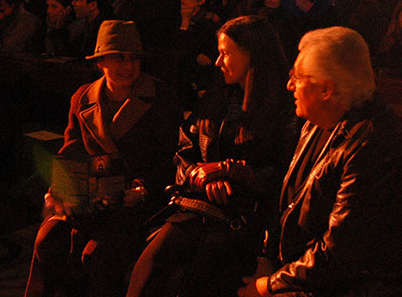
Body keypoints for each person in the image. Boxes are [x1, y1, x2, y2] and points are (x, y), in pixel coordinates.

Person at [239, 26, 402, 296]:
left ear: (326, 90)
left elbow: (341, 252)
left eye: (298, 77)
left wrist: (269, 285)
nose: (289, 85)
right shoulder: (316, 123)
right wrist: (267, 259)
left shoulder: (374, 145)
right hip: (313, 277)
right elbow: (289, 205)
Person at [127, 16, 296, 297]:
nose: (218, 62)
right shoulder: (218, 98)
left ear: (253, 54)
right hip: (199, 205)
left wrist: (232, 173)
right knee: (151, 265)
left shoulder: (285, 108)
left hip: (246, 220)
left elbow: (287, 175)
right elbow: (185, 149)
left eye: (226, 53)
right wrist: (200, 175)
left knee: (200, 277)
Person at [24, 21, 179, 297]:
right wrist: (58, 190)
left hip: (138, 205)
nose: (128, 66)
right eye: (119, 57)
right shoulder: (82, 97)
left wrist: (142, 189)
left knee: (99, 256)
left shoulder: (160, 98)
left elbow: (171, 159)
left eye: (134, 58)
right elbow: (71, 152)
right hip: (91, 199)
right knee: (48, 240)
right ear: (101, 61)